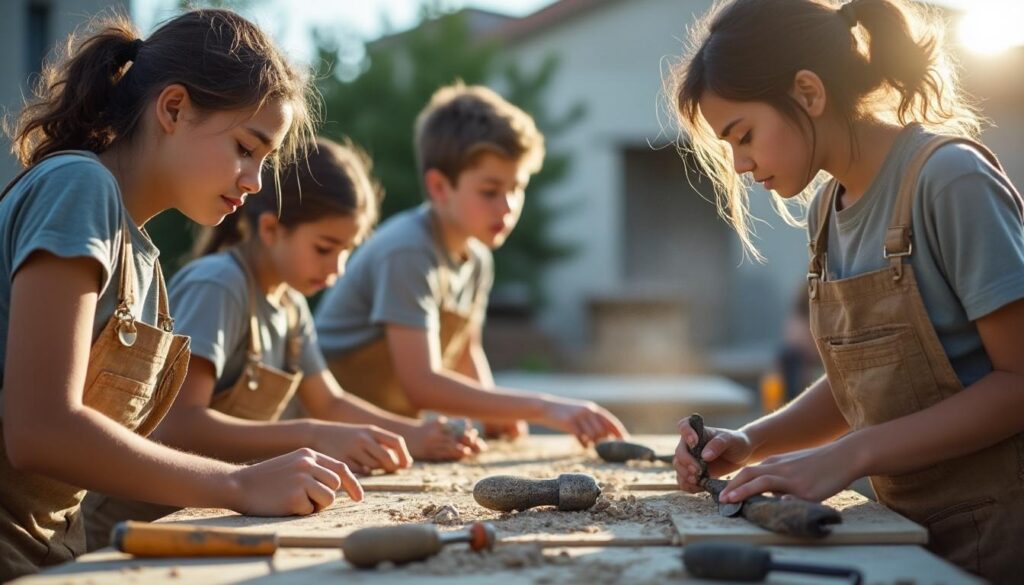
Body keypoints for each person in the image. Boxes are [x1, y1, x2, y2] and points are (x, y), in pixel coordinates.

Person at [668, 1, 1024, 581]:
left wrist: (848, 454)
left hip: (1002, 539)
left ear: (808, 93)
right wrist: (751, 440)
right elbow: (866, 387)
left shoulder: (948, 179)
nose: (738, 164)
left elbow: (1018, 383)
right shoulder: (826, 213)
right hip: (903, 534)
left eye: (744, 135)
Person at [0, 10, 362, 579]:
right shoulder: (77, 186)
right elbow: (39, 428)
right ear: (173, 108)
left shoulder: (142, 259)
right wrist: (238, 483)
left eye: (265, 161)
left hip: (52, 554)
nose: (255, 182)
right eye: (247, 147)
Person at [82, 137, 487, 549]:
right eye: (325, 248)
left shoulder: (290, 303)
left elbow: (330, 402)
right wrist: (313, 434)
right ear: (271, 229)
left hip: (206, 517)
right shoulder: (219, 285)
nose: (337, 269)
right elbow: (181, 424)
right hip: (131, 529)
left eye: (347, 252)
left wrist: (413, 435)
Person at [315, 83, 628, 445]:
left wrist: (496, 414)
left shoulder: (478, 257)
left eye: (517, 187)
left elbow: (466, 352)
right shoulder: (408, 250)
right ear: (438, 187)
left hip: (383, 434)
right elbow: (422, 384)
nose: (507, 206)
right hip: (328, 431)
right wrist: (542, 407)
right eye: (490, 191)